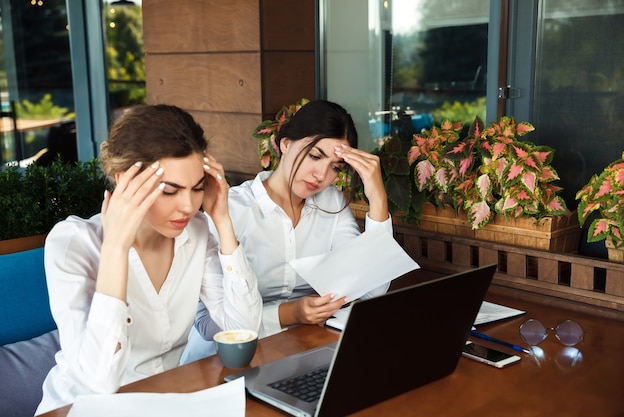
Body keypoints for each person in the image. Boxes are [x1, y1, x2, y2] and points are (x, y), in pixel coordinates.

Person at [35, 104, 262, 415]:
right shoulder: (72, 242)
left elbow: (244, 328)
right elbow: (99, 380)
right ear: (124, 181)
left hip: (163, 401)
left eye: (197, 188)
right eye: (170, 191)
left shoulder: (196, 232)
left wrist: (222, 221)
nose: (187, 206)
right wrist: (116, 247)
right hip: (78, 407)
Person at [182, 99, 392, 361]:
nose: (321, 175)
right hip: (219, 362)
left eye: (335, 168)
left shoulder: (331, 203)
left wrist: (378, 198)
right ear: (285, 144)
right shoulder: (231, 210)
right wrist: (289, 313)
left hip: (298, 352)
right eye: (315, 156)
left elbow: (371, 288)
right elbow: (205, 322)